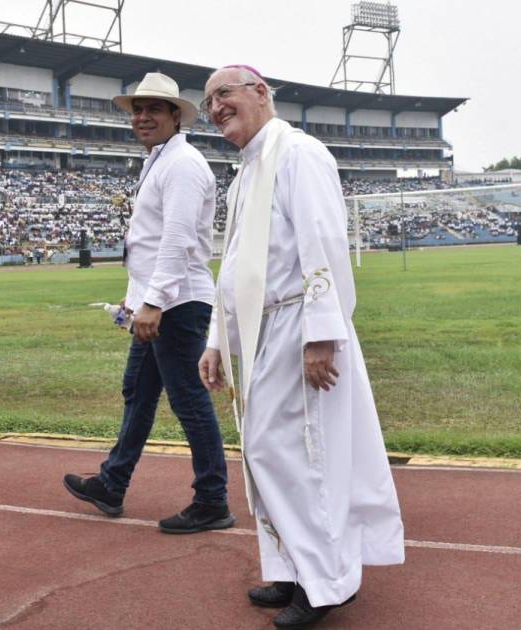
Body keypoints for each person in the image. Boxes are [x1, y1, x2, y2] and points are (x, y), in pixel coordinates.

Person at [198, 64, 404, 629]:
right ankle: (292, 569)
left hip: (298, 328)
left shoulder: (299, 155)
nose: (215, 108)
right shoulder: (245, 175)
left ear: (261, 93)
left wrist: (321, 335)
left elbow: (323, 243)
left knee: (303, 458)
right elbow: (235, 269)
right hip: (264, 332)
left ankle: (327, 584)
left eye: (224, 94)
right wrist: (220, 340)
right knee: (268, 455)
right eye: (208, 101)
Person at [62, 73, 234, 534]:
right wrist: (138, 296)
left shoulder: (181, 164)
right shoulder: (161, 160)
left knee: (189, 401)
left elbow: (177, 241)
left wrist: (153, 301)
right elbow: (156, 240)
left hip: (178, 303)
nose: (142, 117)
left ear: (176, 115)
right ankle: (112, 483)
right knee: (137, 391)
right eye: (137, 109)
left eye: (154, 109)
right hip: (159, 298)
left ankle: (213, 499)